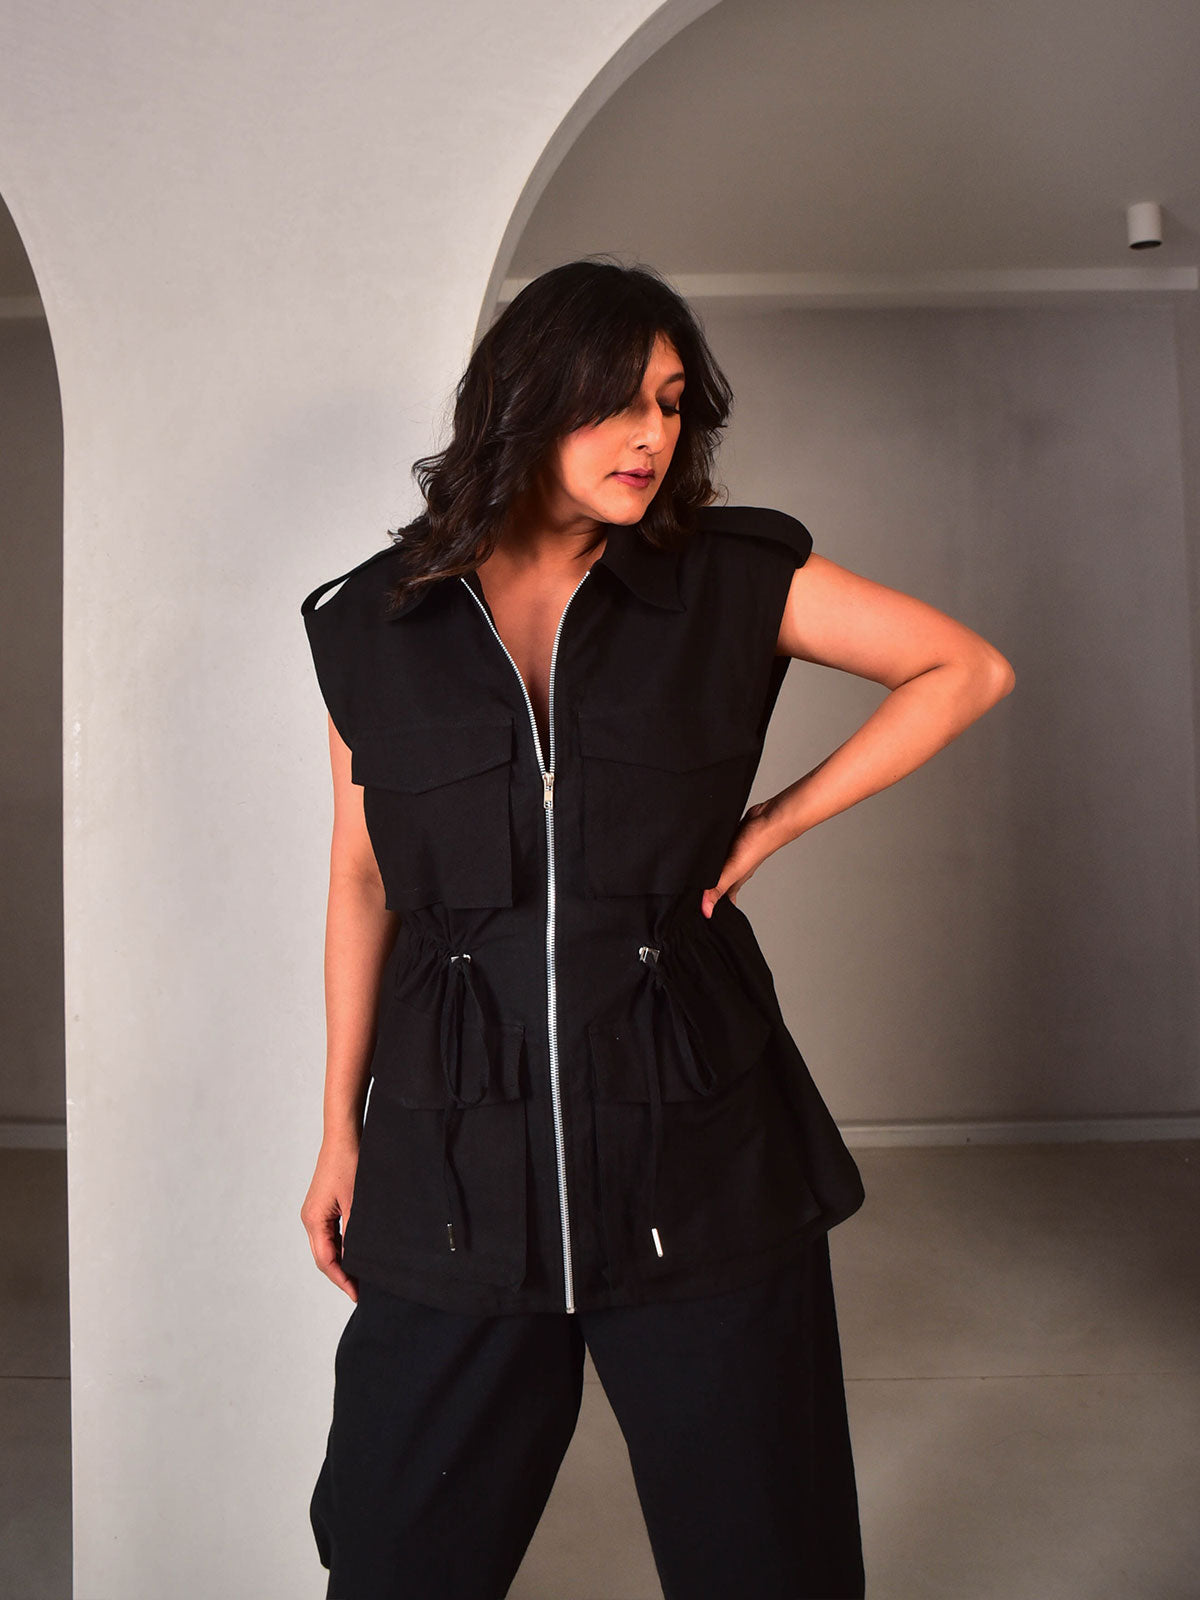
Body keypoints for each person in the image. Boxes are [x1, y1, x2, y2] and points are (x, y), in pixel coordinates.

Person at [298, 256, 1016, 1600]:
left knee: (765, 1557)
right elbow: (360, 878)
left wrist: (772, 823)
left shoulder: (729, 578)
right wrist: (341, 1126)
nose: (651, 436)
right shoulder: (371, 623)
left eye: (674, 404)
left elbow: (963, 667)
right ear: (524, 402)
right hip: (454, 1146)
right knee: (397, 1554)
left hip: (697, 1137)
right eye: (615, 402)